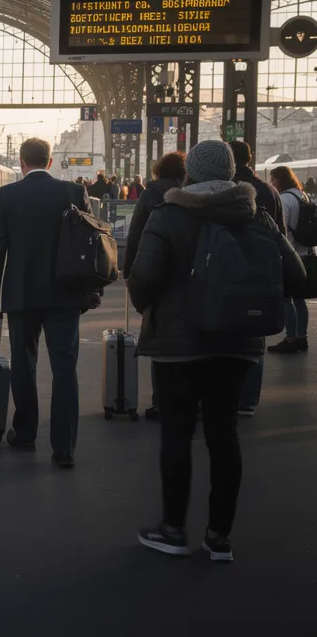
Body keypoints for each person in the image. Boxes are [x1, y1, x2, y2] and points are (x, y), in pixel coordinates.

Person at [129, 140, 304, 561]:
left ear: (190, 171)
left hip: (178, 343)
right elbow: (297, 277)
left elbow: (142, 279)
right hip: (237, 341)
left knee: (176, 435)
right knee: (224, 436)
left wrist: (150, 304)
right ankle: (219, 536)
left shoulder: (167, 214)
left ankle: (172, 529)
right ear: (230, 173)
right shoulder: (255, 213)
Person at [0, 138, 97, 468]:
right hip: (65, 294)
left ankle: (26, 433)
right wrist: (90, 288)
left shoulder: (6, 196)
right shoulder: (73, 193)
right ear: (49, 162)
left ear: (21, 162)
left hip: (21, 295)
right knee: (65, 370)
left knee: (24, 364)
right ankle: (64, 449)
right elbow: (88, 242)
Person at [123, 151, 186, 420]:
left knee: (158, 334)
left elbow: (136, 232)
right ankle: (188, 401)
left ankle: (161, 402)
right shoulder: (194, 193)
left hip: (156, 272)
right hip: (190, 274)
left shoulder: (151, 194)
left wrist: (129, 273)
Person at [231, 140, 281, 416]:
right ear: (249, 159)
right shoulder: (269, 191)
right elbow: (280, 233)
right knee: (255, 339)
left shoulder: (226, 189)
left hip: (228, 273)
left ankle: (224, 396)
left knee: (224, 332)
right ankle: (248, 400)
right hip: (262, 274)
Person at [269, 165, 310, 354]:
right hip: (306, 252)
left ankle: (291, 337)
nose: (272, 183)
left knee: (286, 298)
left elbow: (281, 228)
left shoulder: (284, 199)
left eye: (274, 180)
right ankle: (302, 336)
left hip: (290, 253)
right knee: (300, 299)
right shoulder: (302, 195)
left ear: (280, 180)